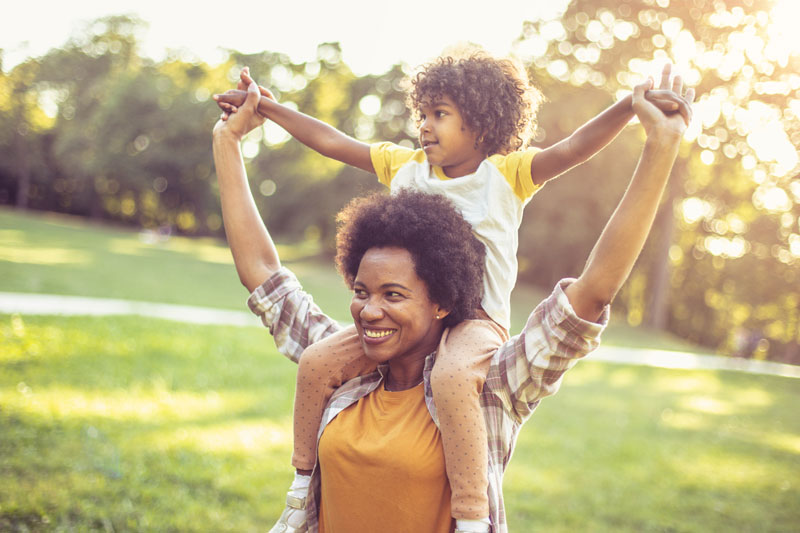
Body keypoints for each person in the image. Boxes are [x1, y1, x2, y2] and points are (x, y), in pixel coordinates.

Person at [214, 54, 689, 532]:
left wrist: (633, 110)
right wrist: (257, 118)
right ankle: (299, 483)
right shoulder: (406, 171)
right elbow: (329, 150)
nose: (370, 310)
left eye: (440, 115)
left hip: (478, 325)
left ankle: (472, 518)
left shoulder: (492, 383)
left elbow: (575, 156)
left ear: (481, 124)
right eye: (361, 290)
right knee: (317, 357)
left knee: (452, 375)